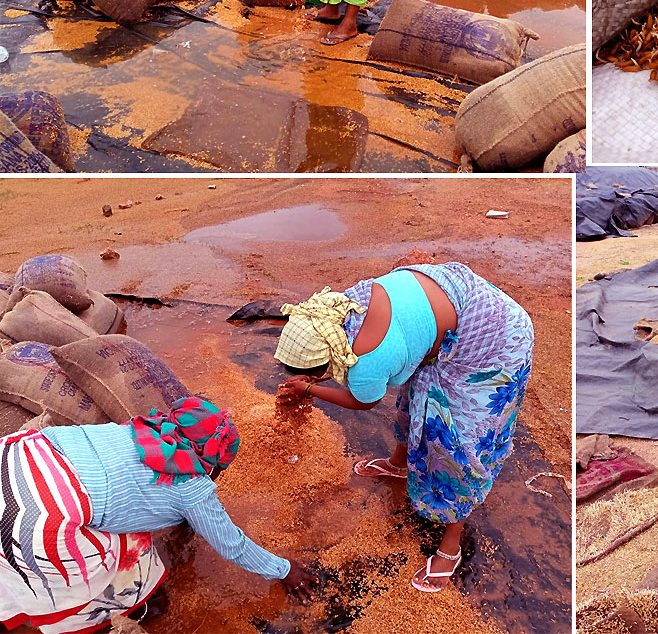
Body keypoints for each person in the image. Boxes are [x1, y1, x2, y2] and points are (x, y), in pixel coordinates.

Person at [274, 262, 533, 593]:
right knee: (418, 391)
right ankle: (399, 464)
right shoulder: (336, 309)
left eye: (315, 373)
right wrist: (310, 380)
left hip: (493, 337)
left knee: (456, 437)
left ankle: (451, 544)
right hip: (457, 309)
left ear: (328, 360)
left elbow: (363, 401)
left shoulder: (366, 361)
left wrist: (309, 390)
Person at [0, 397, 314, 632]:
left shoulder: (137, 429)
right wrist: (285, 570)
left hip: (16, 455)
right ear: (212, 462)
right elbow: (233, 545)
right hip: (39, 517)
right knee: (127, 553)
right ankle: (133, 608)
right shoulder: (191, 488)